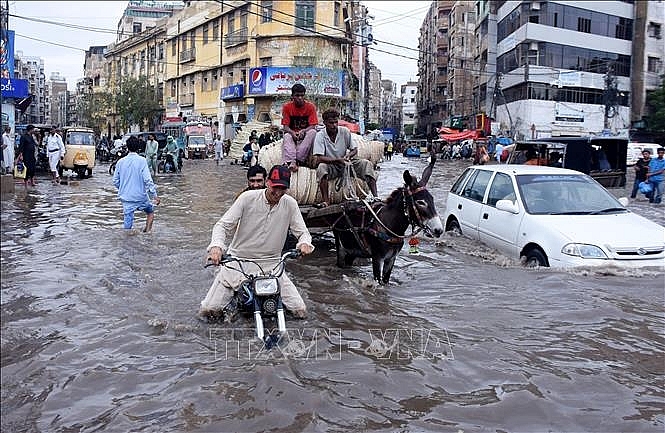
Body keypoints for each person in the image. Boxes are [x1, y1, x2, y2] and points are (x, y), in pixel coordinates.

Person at [199, 164, 314, 320]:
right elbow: (222, 226)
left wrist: (304, 244)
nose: (278, 192)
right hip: (238, 263)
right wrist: (216, 247)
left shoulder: (290, 204)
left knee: (299, 311)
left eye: (283, 188)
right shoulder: (247, 199)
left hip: (272, 266)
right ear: (268, 182)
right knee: (209, 311)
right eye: (275, 187)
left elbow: (303, 232)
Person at [312, 108, 378, 207]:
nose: (334, 125)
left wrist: (348, 156)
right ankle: (326, 201)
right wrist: (338, 160)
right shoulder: (320, 136)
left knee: (366, 164)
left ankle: (375, 197)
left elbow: (354, 150)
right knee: (322, 168)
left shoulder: (345, 131)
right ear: (325, 123)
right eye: (331, 123)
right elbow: (320, 158)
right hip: (331, 166)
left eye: (335, 122)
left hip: (346, 163)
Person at [112, 135, 160, 232]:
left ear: (127, 147)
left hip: (127, 199)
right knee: (150, 212)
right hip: (140, 197)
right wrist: (154, 195)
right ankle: (147, 233)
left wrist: (123, 188)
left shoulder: (120, 162)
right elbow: (148, 180)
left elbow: (115, 181)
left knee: (127, 228)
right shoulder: (142, 161)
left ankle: (127, 243)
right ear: (138, 147)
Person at [281, 83, 318, 172]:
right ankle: (291, 161)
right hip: (292, 134)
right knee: (287, 136)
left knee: (313, 132)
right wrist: (292, 133)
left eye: (302, 95)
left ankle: (298, 159)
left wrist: (304, 131)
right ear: (292, 96)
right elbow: (285, 127)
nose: (300, 98)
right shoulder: (287, 107)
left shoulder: (310, 107)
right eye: (297, 95)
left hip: (305, 134)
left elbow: (313, 125)